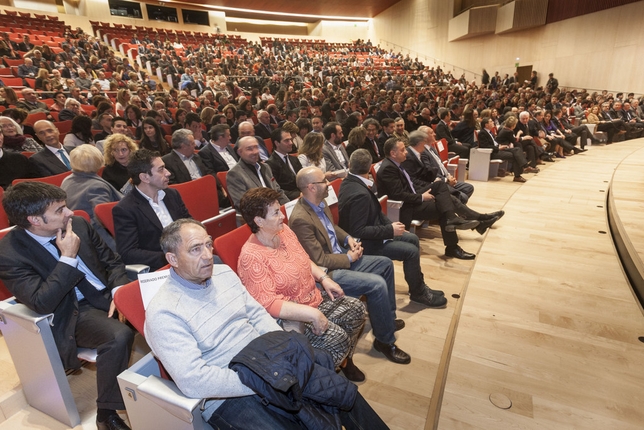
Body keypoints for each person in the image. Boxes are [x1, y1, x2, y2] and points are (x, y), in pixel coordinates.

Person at [145, 219, 389, 430]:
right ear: (172, 259)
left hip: (272, 361)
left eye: (208, 244)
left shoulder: (223, 274)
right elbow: (194, 380)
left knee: (345, 395)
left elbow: (258, 315)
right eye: (195, 249)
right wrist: (264, 381)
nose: (208, 255)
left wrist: (283, 357)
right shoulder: (164, 312)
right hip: (228, 394)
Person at [0, 182, 134, 430]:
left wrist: (119, 292)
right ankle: (106, 414)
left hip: (107, 294)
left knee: (162, 300)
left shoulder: (79, 225)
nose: (70, 213)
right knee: (118, 336)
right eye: (60, 210)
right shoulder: (9, 253)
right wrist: (67, 258)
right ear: (35, 220)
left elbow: (113, 262)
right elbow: (42, 302)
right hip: (72, 311)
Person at [238, 188, 370, 379]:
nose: (283, 216)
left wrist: (324, 279)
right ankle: (319, 378)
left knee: (357, 310)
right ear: (258, 221)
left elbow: (304, 259)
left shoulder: (284, 232)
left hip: (313, 297)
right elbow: (268, 304)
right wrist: (312, 314)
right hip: (292, 319)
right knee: (338, 338)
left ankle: (343, 361)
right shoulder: (251, 257)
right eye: (275, 213)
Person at [377, 137, 479, 260]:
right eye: (403, 150)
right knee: (445, 207)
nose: (407, 152)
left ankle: (453, 222)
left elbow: (410, 184)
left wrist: (424, 189)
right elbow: (398, 195)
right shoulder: (388, 168)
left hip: (412, 196)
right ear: (393, 153)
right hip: (405, 207)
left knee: (440, 185)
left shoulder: (396, 164)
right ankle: (452, 246)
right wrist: (421, 197)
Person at [112, 149, 191, 271]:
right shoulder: (125, 209)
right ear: (145, 177)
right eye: (161, 169)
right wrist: (171, 258)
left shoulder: (172, 194)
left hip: (187, 255)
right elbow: (128, 253)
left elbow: (189, 223)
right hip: (162, 266)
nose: (168, 173)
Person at [61, 145, 122, 250]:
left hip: (77, 233)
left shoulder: (66, 180)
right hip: (102, 241)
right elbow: (103, 221)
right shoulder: (96, 186)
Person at [227, 135, 290, 209]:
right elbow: (242, 204)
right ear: (240, 152)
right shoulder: (235, 174)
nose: (255, 152)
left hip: (276, 209)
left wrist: (289, 207)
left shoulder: (266, 167)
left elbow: (278, 192)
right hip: (259, 215)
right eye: (249, 149)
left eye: (256, 147)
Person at [479, 116, 532, 182]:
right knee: (514, 155)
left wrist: (499, 146)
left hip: (498, 148)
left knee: (517, 149)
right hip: (493, 152)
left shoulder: (489, 132)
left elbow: (494, 142)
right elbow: (484, 146)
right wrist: (498, 147)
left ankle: (524, 166)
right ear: (486, 125)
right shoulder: (482, 133)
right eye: (490, 121)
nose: (493, 122)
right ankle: (518, 175)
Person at [265, 127, 303, 200]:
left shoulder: (294, 159)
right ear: (277, 143)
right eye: (286, 141)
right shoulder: (270, 164)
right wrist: (299, 194)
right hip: (289, 200)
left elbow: (303, 177)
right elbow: (276, 190)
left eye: (291, 139)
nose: (291, 143)